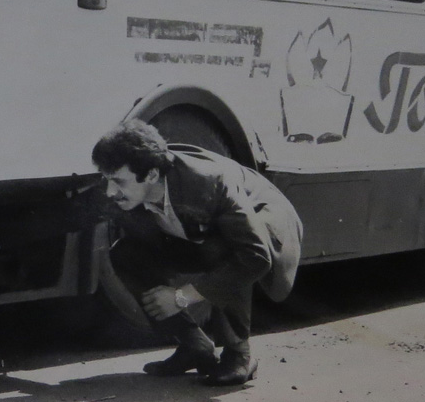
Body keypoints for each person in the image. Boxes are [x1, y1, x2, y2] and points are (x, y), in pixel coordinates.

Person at [91, 119, 303, 386]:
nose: (110, 191)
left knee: (221, 248)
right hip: (203, 235)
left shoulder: (208, 183)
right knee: (125, 253)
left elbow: (255, 257)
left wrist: (182, 297)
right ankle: (194, 345)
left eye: (118, 182)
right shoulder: (131, 181)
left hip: (265, 233)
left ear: (153, 175)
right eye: (106, 180)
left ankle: (239, 354)